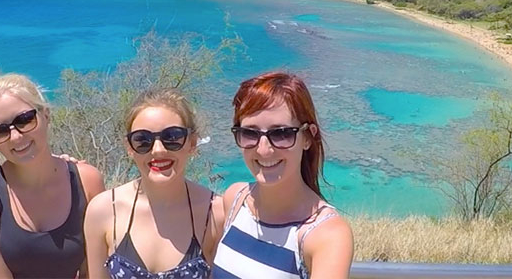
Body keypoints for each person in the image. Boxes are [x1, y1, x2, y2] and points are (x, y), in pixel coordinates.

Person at [0, 73, 105, 278]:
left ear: (45, 115)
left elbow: (94, 270)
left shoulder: (88, 182)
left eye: (24, 120)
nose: (16, 137)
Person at [213, 72, 353, 279]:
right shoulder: (235, 199)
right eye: (250, 133)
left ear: (308, 137)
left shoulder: (325, 235)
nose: (263, 150)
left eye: (281, 134)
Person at [83, 88, 225, 279]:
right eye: (143, 140)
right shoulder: (104, 210)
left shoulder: (215, 214)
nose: (158, 150)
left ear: (192, 143)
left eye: (172, 137)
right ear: (129, 148)